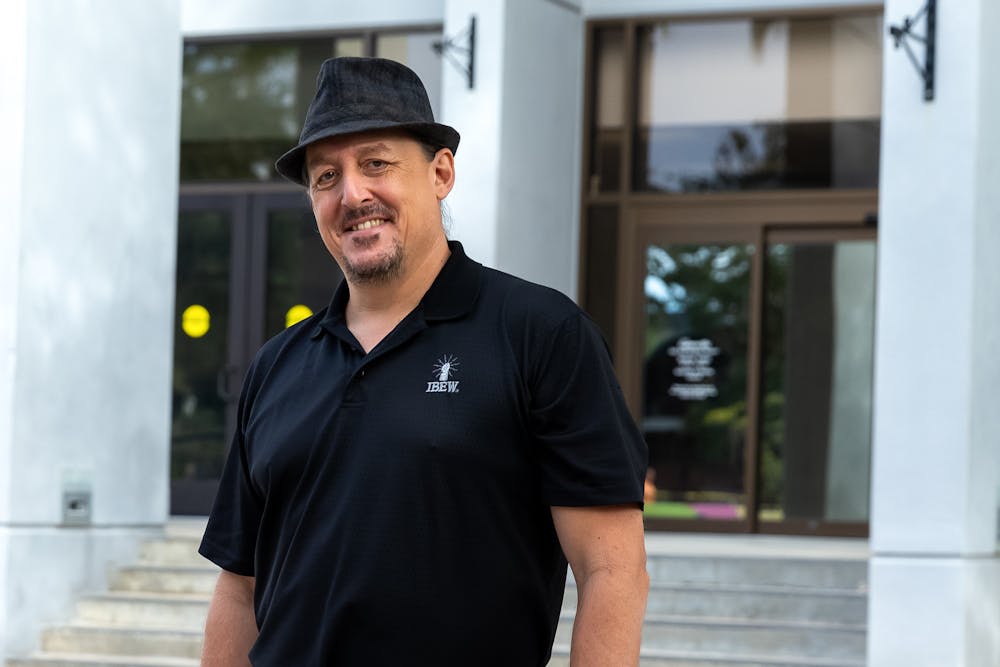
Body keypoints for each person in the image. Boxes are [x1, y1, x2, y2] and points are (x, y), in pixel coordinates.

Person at [198, 56, 649, 666]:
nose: (352, 193)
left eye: (376, 163)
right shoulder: (277, 365)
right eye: (326, 176)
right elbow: (239, 586)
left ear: (440, 173)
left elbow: (612, 569)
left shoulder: (540, 334)